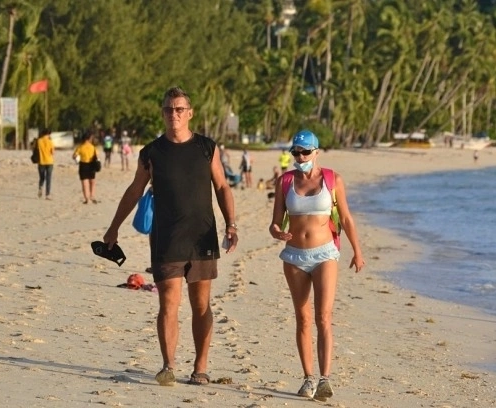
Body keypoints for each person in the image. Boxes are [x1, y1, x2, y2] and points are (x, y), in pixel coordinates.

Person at [103, 86, 238, 387]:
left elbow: (222, 187)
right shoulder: (152, 152)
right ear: (162, 113)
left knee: (201, 306)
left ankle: (200, 368)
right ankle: (168, 365)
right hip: (166, 239)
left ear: (190, 113)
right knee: (168, 305)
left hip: (202, 238)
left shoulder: (206, 147)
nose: (173, 114)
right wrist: (114, 227)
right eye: (168, 109)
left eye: (179, 109)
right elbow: (134, 191)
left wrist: (231, 224)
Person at [268, 129, 365, 401]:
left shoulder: (333, 180)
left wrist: (357, 252)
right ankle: (308, 377)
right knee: (303, 318)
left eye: (305, 152)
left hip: (325, 254)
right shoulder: (285, 181)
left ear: (316, 152)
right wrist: (277, 232)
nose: (300, 157)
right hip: (294, 257)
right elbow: (275, 222)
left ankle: (325, 379)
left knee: (323, 316)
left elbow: (346, 218)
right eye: (296, 152)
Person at [72, 132, 99, 204]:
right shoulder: (93, 147)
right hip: (92, 165)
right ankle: (92, 196)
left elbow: (74, 156)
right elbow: (97, 156)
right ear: (89, 138)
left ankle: (87, 198)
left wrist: (77, 158)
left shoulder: (80, 147)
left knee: (84, 182)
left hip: (83, 165)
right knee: (92, 182)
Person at [36, 128, 54, 200]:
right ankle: (47, 194)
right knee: (48, 178)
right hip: (49, 162)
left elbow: (35, 149)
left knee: (42, 177)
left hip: (41, 161)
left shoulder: (39, 141)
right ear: (49, 134)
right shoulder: (50, 142)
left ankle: (40, 187)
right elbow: (53, 152)